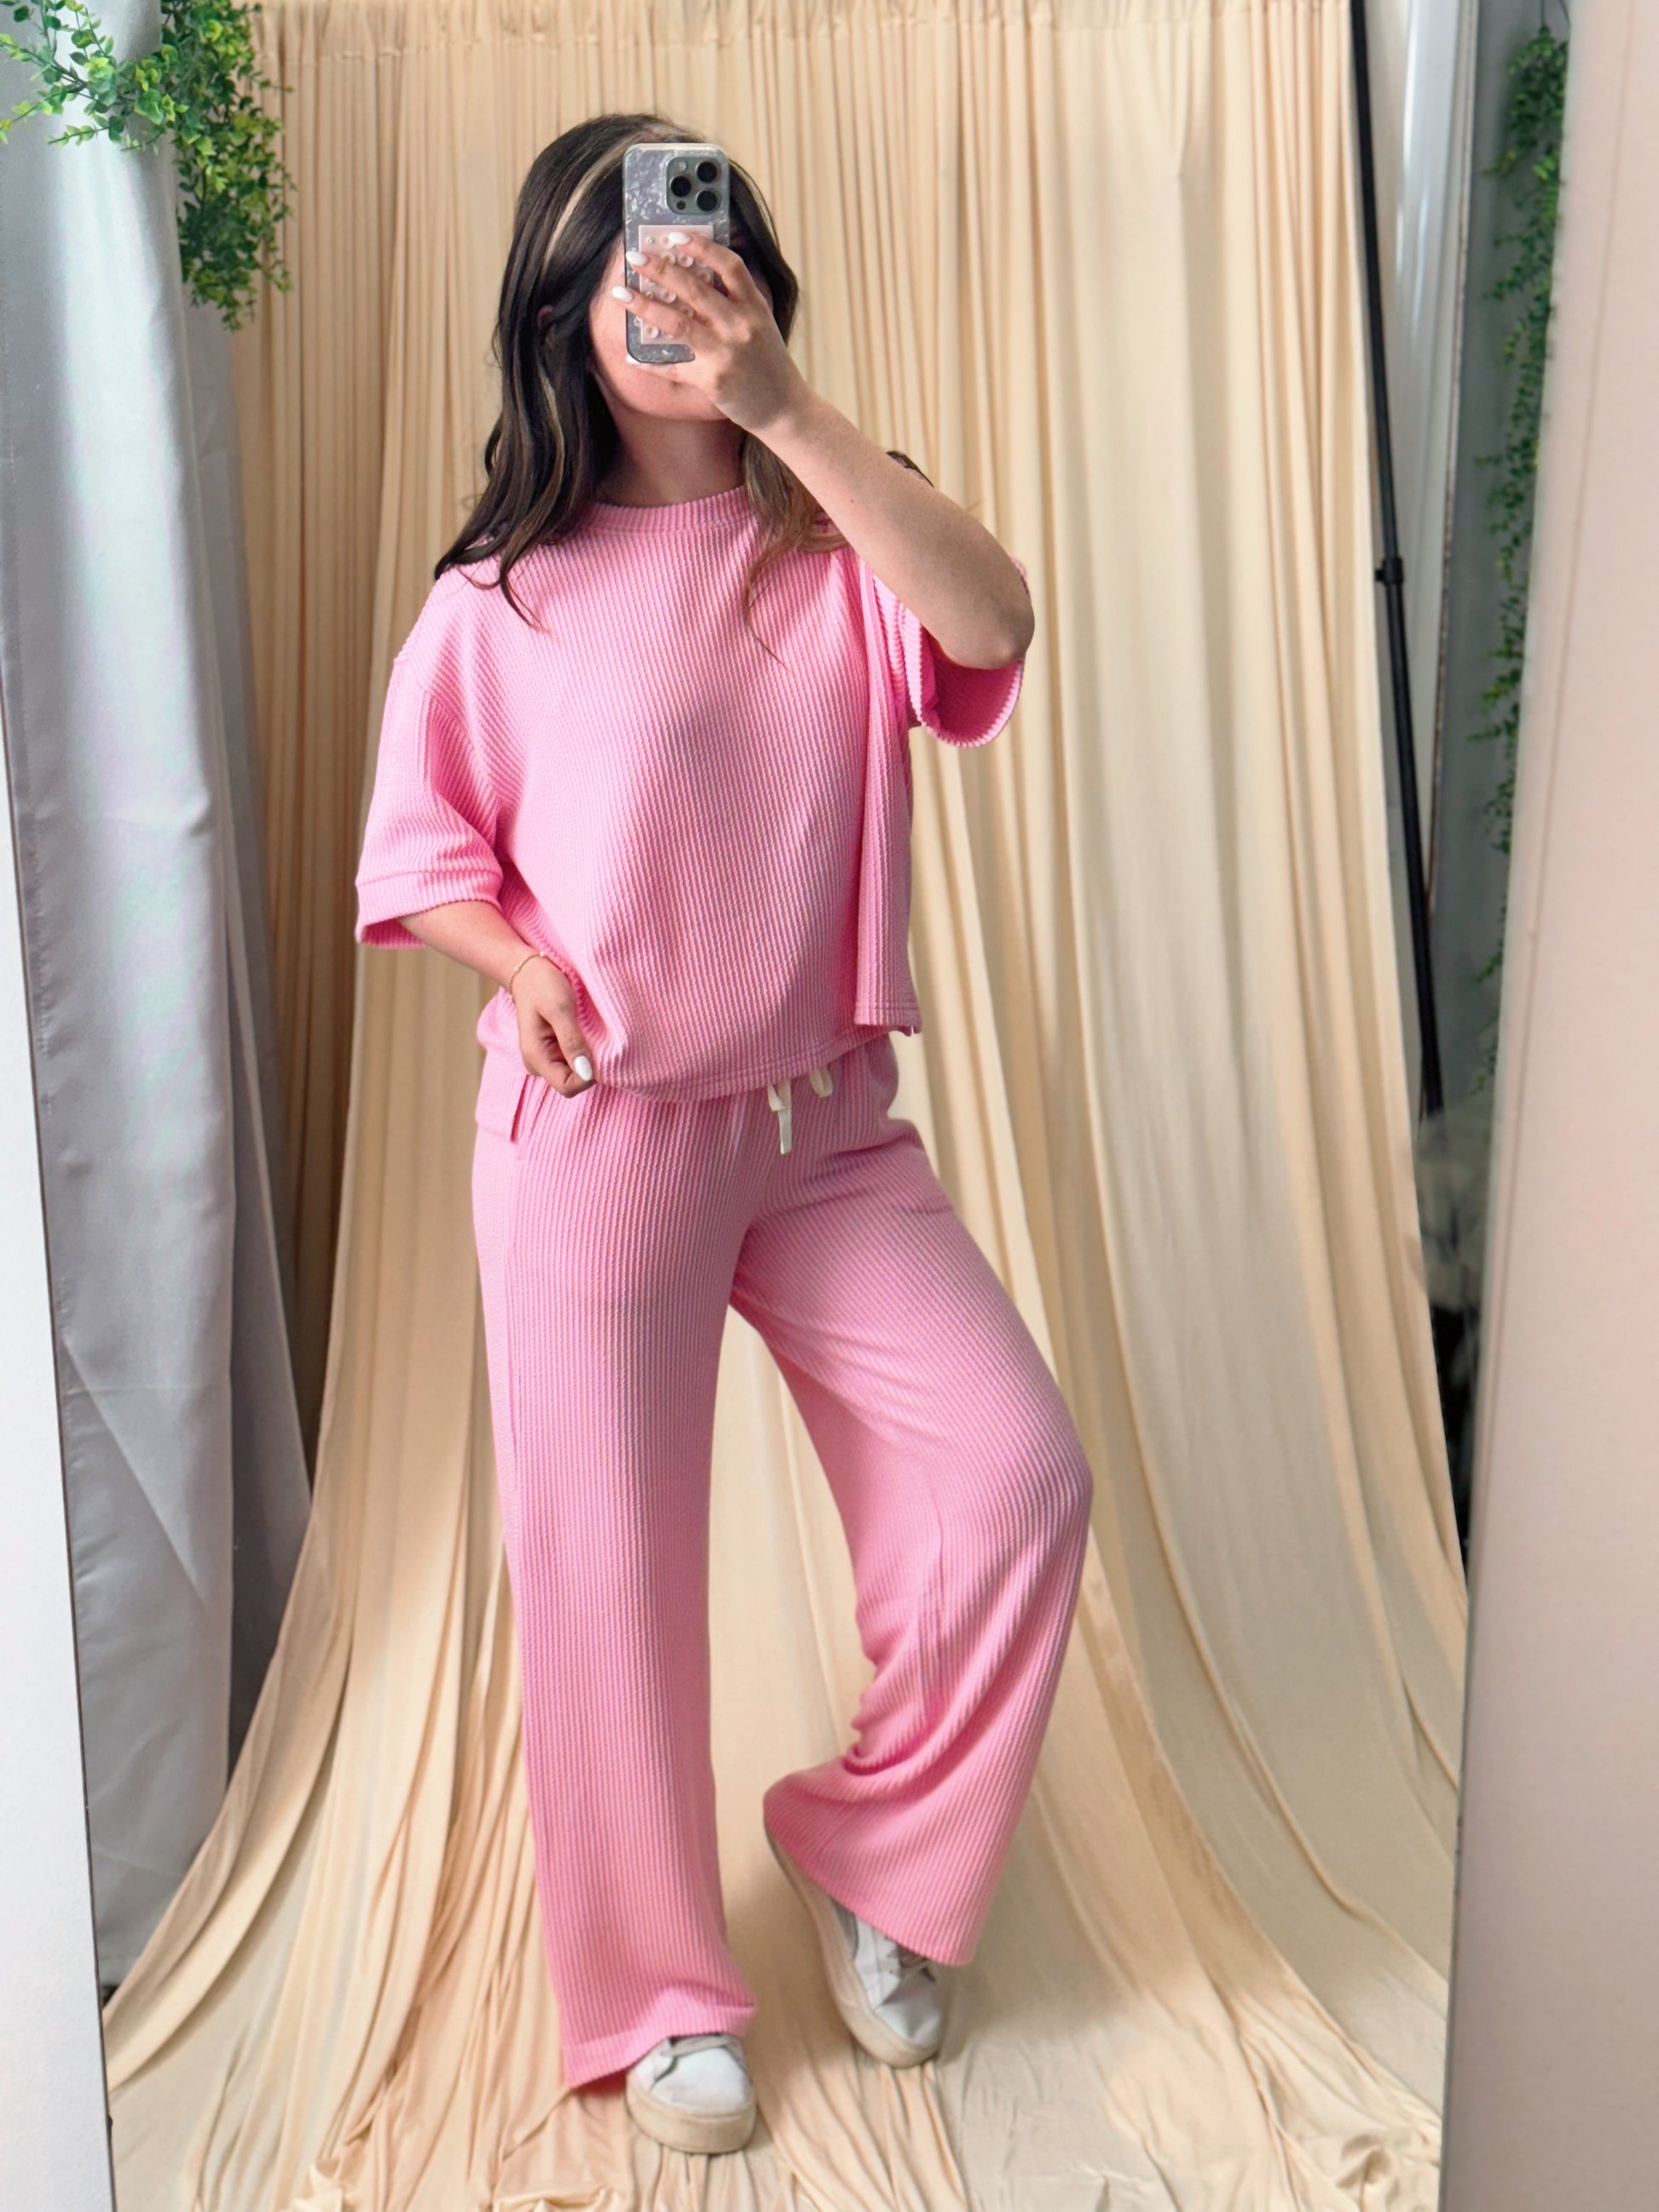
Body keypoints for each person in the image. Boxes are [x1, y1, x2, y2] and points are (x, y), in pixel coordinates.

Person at [354, 111, 1095, 2158]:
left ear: (754, 283)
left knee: (1014, 1474)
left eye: (704, 262)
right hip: (600, 1139)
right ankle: (655, 1986)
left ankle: (874, 1854)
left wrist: (785, 410)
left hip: (823, 1124)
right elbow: (417, 852)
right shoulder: (506, 593)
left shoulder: (845, 526)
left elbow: (992, 627)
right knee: (607, 1570)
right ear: (562, 316)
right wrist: (515, 961)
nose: (673, 294)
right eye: (633, 276)